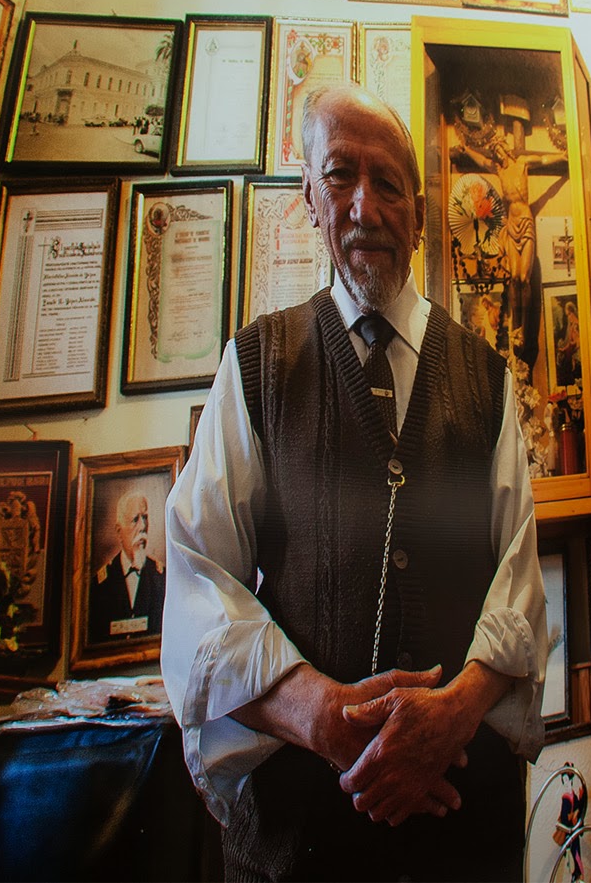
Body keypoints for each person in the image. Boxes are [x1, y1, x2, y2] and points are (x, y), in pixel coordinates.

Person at [162, 84, 547, 881]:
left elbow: (518, 585)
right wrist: (319, 714)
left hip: (461, 830)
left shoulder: (486, 377)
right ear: (309, 196)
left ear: (418, 213)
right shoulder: (257, 365)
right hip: (303, 835)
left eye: (389, 183)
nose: (365, 206)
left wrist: (455, 713)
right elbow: (200, 582)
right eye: (340, 175)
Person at [88, 489, 164, 645]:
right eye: (135, 520)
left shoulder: (161, 578)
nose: (142, 526)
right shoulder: (100, 583)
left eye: (145, 517)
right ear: (119, 531)